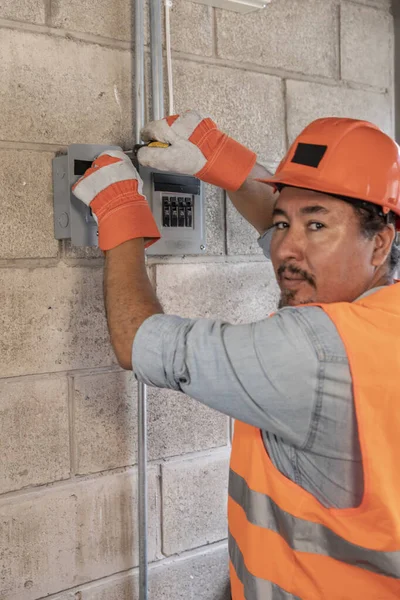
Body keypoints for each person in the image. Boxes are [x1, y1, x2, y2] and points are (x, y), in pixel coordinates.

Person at [72, 111, 400, 599]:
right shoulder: (382, 317)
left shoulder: (316, 352)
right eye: (283, 221)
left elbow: (137, 339)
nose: (286, 248)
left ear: (379, 244)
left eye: (316, 224)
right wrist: (231, 167)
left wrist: (120, 213)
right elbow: (300, 255)